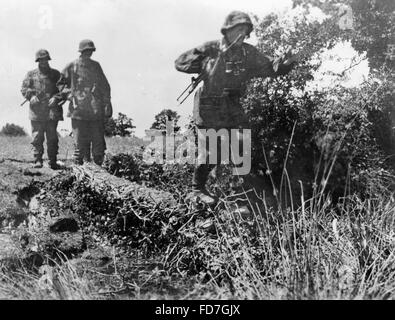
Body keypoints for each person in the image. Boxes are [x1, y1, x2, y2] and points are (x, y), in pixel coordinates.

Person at [175, 11, 299, 205]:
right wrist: (204, 63)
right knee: (212, 150)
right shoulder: (211, 48)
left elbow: (269, 67)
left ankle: (240, 193)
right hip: (209, 103)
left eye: (245, 30)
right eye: (238, 29)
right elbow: (180, 62)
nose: (242, 34)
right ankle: (196, 190)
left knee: (241, 145)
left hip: (232, 104)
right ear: (227, 31)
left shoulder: (248, 53)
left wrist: (286, 63)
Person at [57, 39, 112, 166]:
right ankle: (80, 170)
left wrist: (107, 102)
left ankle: (99, 169)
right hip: (78, 110)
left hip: (95, 109)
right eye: (86, 51)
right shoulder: (72, 66)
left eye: (91, 51)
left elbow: (105, 85)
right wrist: (68, 94)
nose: (89, 54)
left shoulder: (96, 66)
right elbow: (60, 84)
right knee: (80, 144)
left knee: (98, 143)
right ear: (81, 52)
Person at [21, 49, 63, 169]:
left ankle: (52, 161)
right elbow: (24, 88)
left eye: (45, 59)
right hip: (37, 111)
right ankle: (37, 160)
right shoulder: (31, 74)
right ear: (37, 60)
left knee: (52, 138)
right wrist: (31, 96)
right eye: (41, 59)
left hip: (51, 111)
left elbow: (63, 89)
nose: (43, 61)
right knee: (37, 137)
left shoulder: (56, 74)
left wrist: (56, 98)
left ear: (48, 59)